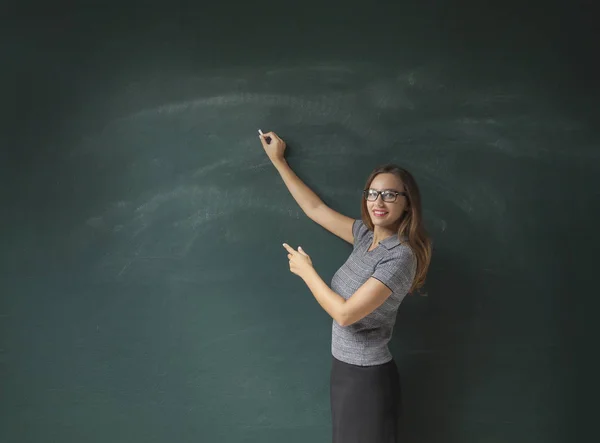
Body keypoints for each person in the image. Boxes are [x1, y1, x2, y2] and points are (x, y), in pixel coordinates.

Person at [259, 130, 432, 443]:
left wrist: (306, 271)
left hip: (366, 379)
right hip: (345, 370)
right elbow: (316, 210)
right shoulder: (366, 236)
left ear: (407, 204)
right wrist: (279, 162)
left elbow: (345, 314)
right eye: (372, 193)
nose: (378, 202)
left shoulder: (400, 256)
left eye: (390, 194)